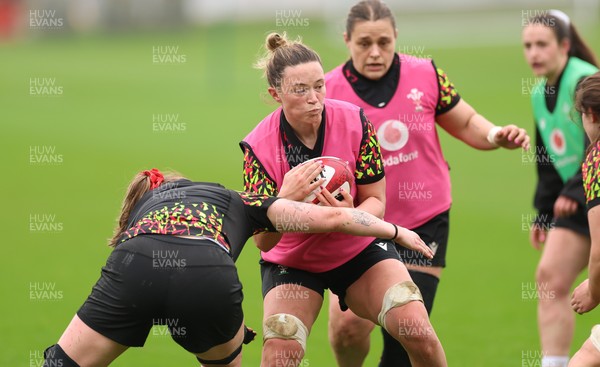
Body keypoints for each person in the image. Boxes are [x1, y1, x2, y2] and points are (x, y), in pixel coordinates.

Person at [41, 166, 434, 367]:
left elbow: (157, 280)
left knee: (63, 362)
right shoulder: (235, 198)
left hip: (133, 263)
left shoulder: (143, 214)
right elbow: (333, 220)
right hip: (207, 274)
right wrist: (396, 231)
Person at [323, 1, 531, 366]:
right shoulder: (327, 89)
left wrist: (497, 134)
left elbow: (466, 122)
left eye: (384, 42)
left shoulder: (426, 73)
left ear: (397, 38)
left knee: (407, 334)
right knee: (347, 332)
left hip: (423, 218)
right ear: (347, 40)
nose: (375, 52)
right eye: (364, 43)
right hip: (360, 225)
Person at [240, 32, 447, 367]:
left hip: (356, 249)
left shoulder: (354, 121)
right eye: (300, 90)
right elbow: (263, 242)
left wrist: (351, 215)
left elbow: (376, 200)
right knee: (281, 350)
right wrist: (282, 201)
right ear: (275, 94)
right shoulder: (258, 149)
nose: (314, 98)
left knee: (418, 331)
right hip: (292, 262)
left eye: (319, 86)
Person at [521, 10, 599, 367]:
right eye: (527, 46)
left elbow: (594, 145)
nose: (534, 53)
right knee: (550, 276)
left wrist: (572, 193)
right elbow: (546, 157)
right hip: (575, 198)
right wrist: (543, 210)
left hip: (586, 193)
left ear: (564, 45)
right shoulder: (539, 91)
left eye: (542, 44)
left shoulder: (583, 79)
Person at [570, 72, 600, 366]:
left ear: (590, 113)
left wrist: (593, 290)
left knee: (585, 360)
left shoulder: (597, 160)